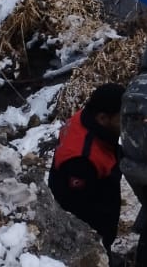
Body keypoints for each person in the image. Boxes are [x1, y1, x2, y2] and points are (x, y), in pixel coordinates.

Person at [48, 83, 125, 254]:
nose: (126, 123)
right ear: (103, 118)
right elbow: (80, 215)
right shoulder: (82, 160)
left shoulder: (86, 117)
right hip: (82, 222)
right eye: (122, 118)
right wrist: (98, 243)